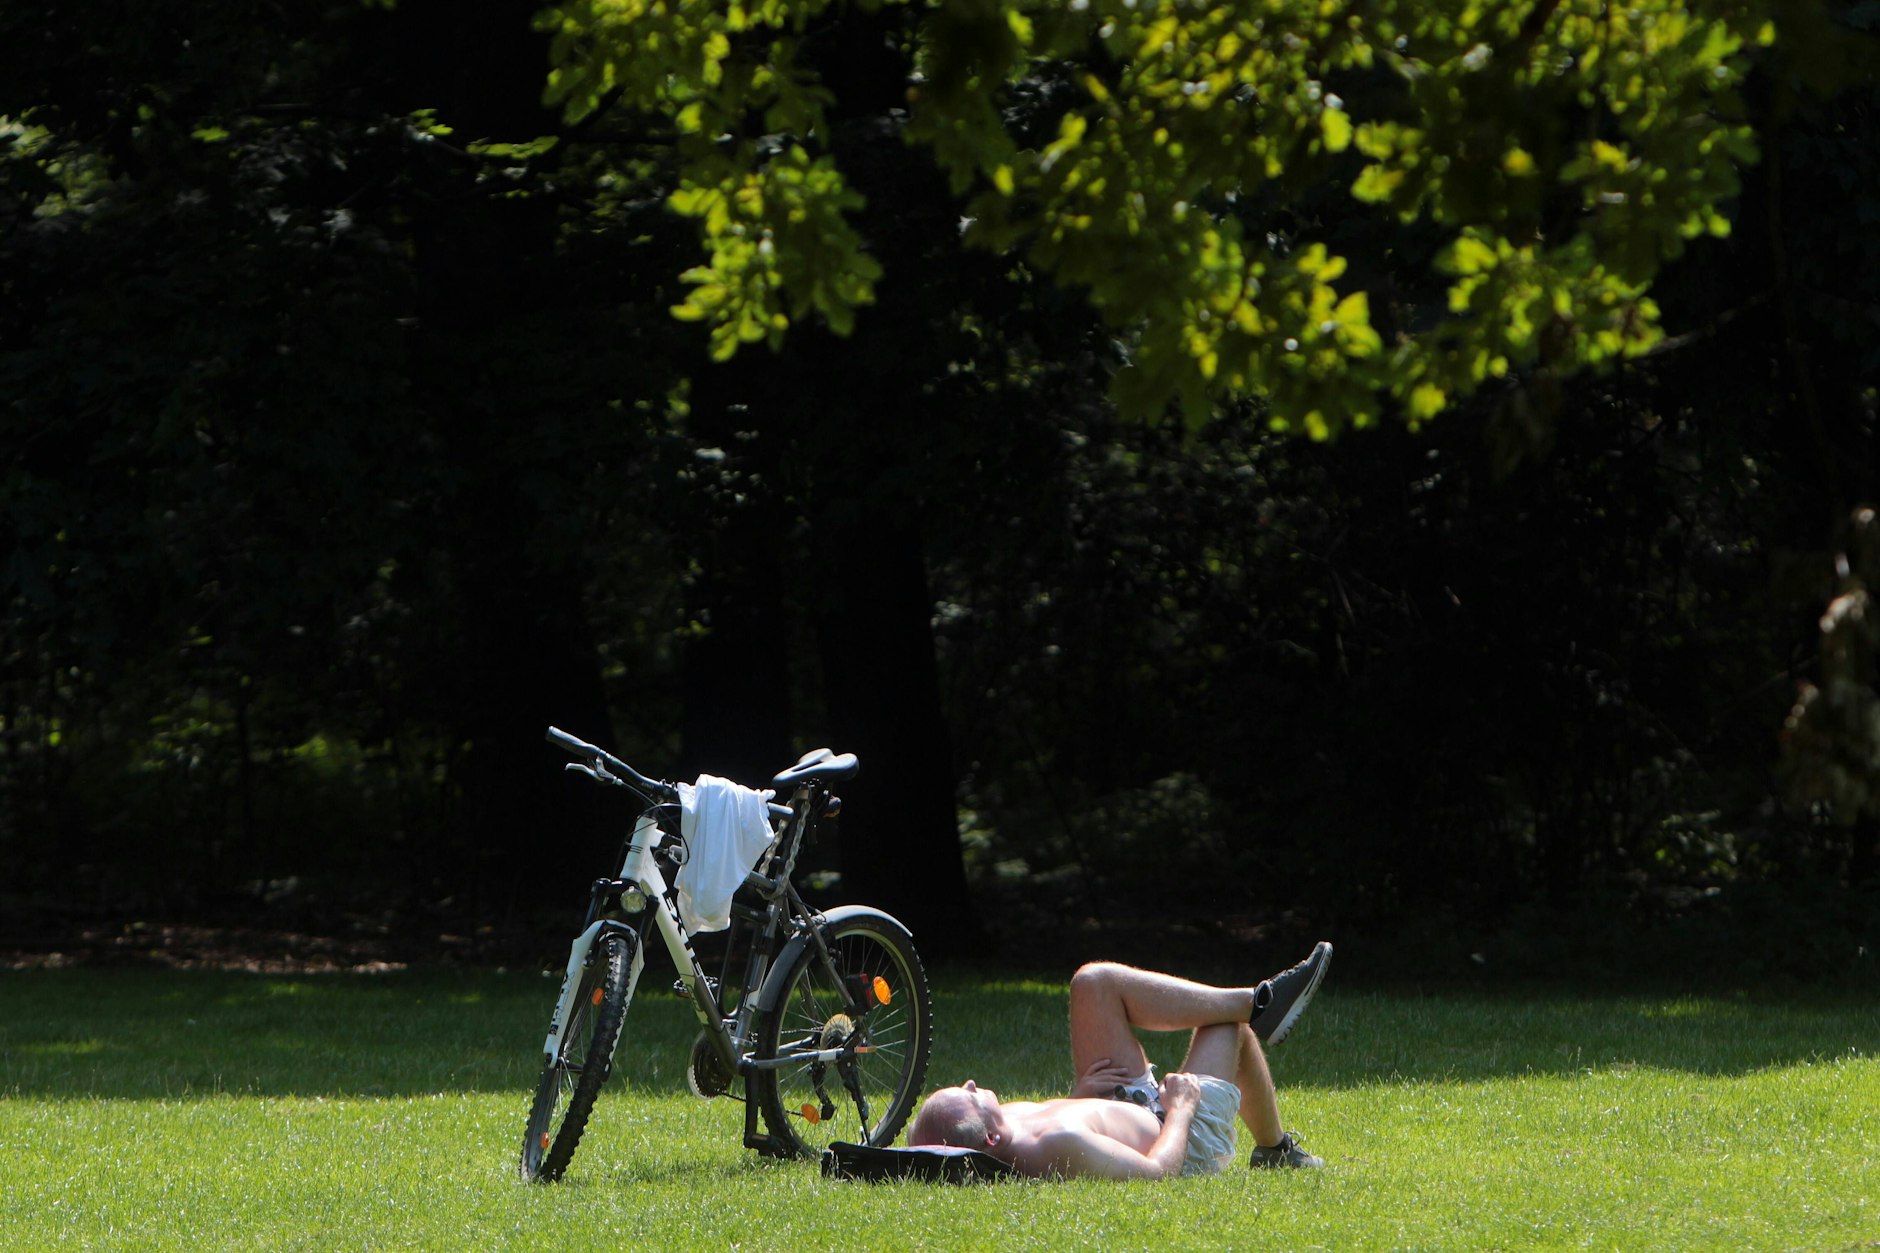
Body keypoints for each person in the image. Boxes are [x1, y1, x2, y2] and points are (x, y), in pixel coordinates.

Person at [906, 942, 1332, 1180]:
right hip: (1174, 1134)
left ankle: (1257, 1003)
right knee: (1227, 1028)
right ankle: (1276, 1148)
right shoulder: (1058, 1145)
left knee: (1093, 983)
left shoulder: (998, 1130)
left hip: (1116, 1099)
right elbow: (1156, 1174)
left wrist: (1077, 1099)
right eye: (970, 1097)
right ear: (991, 1138)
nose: (970, 1084)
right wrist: (1182, 1110)